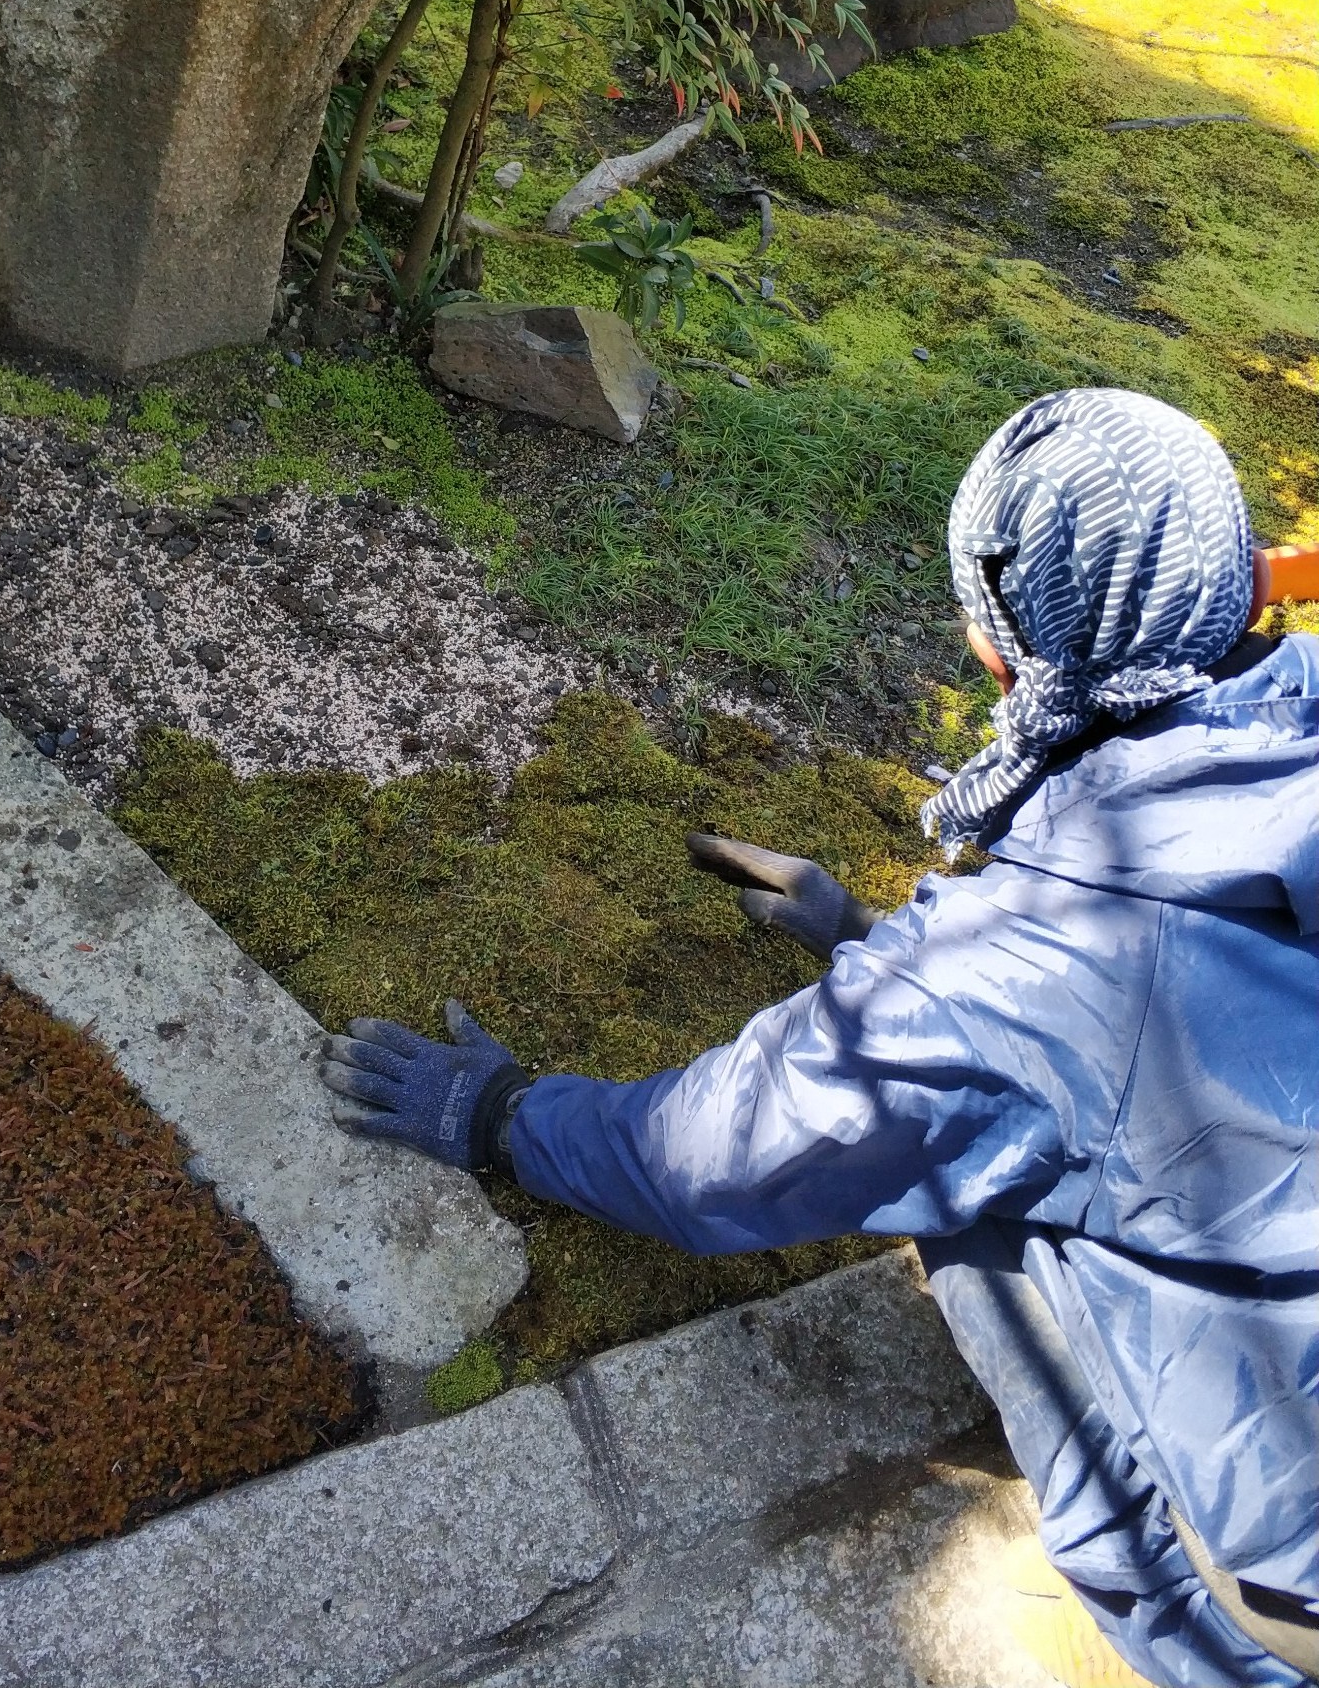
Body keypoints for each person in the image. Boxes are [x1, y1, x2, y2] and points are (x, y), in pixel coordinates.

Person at [321, 388, 1318, 1688]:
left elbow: (710, 1161)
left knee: (974, 1192)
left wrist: (498, 1111)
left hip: (1281, 1579)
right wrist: (876, 951)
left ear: (1003, 654)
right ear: (1243, 581)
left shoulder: (1005, 980)